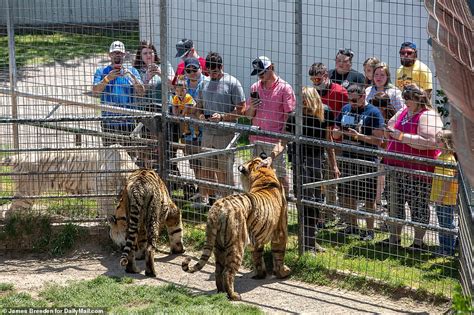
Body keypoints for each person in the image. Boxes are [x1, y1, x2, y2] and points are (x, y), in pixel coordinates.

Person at [267, 86, 338, 253]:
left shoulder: (325, 113)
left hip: (317, 161)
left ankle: (311, 241)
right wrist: (271, 157)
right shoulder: (294, 116)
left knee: (316, 202)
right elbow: (283, 141)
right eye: (301, 100)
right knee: (304, 201)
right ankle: (305, 244)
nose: (303, 104)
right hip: (300, 162)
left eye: (305, 100)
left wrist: (333, 164)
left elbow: (329, 141)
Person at [382, 84, 443, 250]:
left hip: (417, 171)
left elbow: (431, 142)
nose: (405, 101)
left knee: (418, 206)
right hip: (395, 168)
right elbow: (390, 125)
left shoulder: (428, 115)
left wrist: (401, 136)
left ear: (419, 99)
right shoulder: (404, 111)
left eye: (409, 98)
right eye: (404, 97)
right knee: (394, 204)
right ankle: (394, 239)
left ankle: (418, 242)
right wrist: (390, 131)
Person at [332, 84, 384, 241]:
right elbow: (336, 129)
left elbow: (379, 140)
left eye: (355, 99)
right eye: (350, 99)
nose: (352, 102)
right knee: (347, 194)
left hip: (366, 160)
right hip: (347, 158)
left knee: (368, 198)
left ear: (363, 96)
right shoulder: (346, 108)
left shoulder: (373, 113)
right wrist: (336, 132)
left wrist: (359, 136)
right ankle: (352, 226)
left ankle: (369, 231)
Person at [196, 51, 246, 206]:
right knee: (207, 169)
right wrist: (201, 117)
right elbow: (198, 107)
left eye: (215, 72)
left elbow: (242, 109)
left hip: (225, 134)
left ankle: (228, 202)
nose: (213, 75)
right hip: (208, 134)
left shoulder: (232, 83)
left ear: (221, 67)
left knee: (225, 170)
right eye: (209, 72)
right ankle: (212, 202)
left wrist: (223, 117)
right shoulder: (203, 83)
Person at [245, 56, 296, 192]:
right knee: (257, 174)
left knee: (279, 175)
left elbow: (289, 117)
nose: (260, 76)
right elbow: (248, 115)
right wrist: (252, 107)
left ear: (271, 68)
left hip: (275, 141)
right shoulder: (255, 87)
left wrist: (283, 140)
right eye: (258, 74)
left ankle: (284, 202)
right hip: (256, 139)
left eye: (262, 73)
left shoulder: (285, 88)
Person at [308, 62, 348, 209]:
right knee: (318, 176)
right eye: (312, 80)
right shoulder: (312, 93)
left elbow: (347, 113)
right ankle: (318, 209)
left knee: (332, 176)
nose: (315, 83)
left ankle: (332, 210)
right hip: (317, 139)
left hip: (335, 140)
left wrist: (338, 129)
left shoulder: (340, 92)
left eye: (317, 80)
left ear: (326, 76)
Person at [92, 40, 145, 147]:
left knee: (129, 158)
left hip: (128, 122)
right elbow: (95, 92)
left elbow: (141, 92)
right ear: (109, 55)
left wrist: (132, 77)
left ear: (124, 55)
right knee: (109, 157)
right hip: (108, 121)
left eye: (120, 53)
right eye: (114, 53)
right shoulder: (101, 71)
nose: (117, 55)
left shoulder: (132, 71)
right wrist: (107, 79)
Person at [430, 130, 458, 256]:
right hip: (440, 197)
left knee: (446, 224)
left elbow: (447, 181)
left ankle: (448, 249)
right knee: (442, 223)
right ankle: (444, 247)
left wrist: (440, 197)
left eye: (438, 141)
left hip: (445, 198)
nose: (436, 143)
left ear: (446, 143)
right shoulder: (441, 156)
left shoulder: (448, 159)